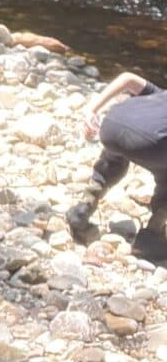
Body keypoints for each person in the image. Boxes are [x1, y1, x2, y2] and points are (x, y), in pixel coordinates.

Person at [68, 69, 167, 260]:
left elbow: (127, 78)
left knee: (115, 156)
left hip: (112, 125)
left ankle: (83, 207)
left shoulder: (160, 95)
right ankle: (151, 236)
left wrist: (92, 109)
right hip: (151, 144)